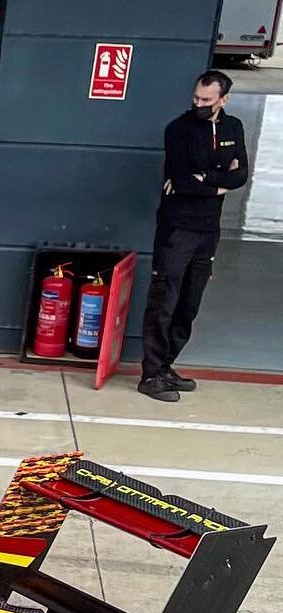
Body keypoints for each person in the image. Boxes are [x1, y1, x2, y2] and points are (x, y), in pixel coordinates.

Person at [139, 70, 250, 402]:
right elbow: (182, 181)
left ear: (223, 100)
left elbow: (241, 174)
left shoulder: (234, 128)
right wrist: (219, 182)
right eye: (196, 98)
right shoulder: (178, 130)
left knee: (189, 304)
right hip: (177, 229)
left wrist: (209, 179)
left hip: (208, 232)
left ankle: (166, 367)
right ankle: (150, 374)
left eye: (207, 100)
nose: (199, 104)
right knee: (164, 301)